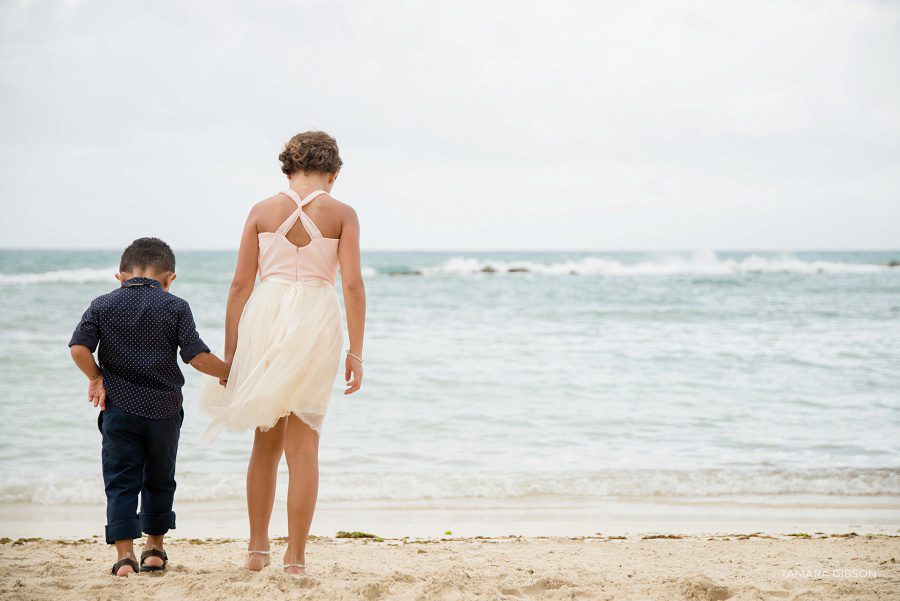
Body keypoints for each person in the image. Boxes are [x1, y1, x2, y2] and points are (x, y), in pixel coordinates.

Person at [198, 130, 366, 576]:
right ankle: (295, 559)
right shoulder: (343, 213)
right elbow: (351, 284)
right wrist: (357, 351)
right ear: (334, 173)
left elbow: (240, 285)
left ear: (288, 168)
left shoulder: (260, 211)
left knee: (264, 441)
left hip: (265, 317)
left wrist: (231, 351)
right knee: (305, 443)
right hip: (316, 319)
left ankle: (257, 551)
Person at [69, 237, 231, 577]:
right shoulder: (176, 306)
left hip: (119, 409)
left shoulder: (102, 304)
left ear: (120, 276)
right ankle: (154, 549)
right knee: (160, 478)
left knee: (121, 478)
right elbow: (196, 357)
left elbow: (79, 349)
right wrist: (232, 374)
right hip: (165, 411)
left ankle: (125, 556)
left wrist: (97, 377)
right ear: (170, 278)